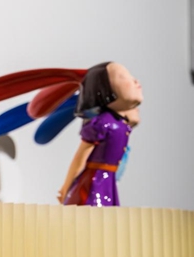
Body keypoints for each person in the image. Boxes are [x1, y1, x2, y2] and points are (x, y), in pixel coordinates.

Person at [57, 62, 142, 206]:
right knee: (93, 212)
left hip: (109, 182)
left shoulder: (121, 124)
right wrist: (66, 187)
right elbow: (80, 159)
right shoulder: (101, 124)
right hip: (93, 183)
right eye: (123, 76)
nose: (136, 81)